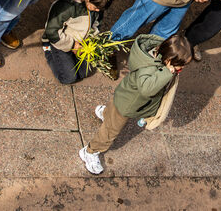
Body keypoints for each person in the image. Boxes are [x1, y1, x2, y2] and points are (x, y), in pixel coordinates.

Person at [77, 34, 193, 175]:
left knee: (114, 110)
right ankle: (90, 151)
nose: (181, 69)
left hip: (125, 96)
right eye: (180, 67)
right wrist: (166, 73)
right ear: (169, 61)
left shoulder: (154, 56)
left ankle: (106, 114)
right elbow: (147, 89)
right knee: (109, 132)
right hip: (127, 106)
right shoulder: (150, 69)